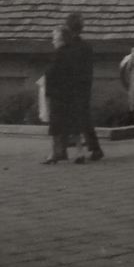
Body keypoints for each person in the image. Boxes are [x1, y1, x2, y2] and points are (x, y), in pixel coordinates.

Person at [42, 13, 100, 164]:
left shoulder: (65, 50)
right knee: (81, 119)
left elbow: (54, 72)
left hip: (66, 90)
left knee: (63, 120)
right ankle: (91, 149)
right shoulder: (86, 47)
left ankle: (60, 151)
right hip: (82, 87)